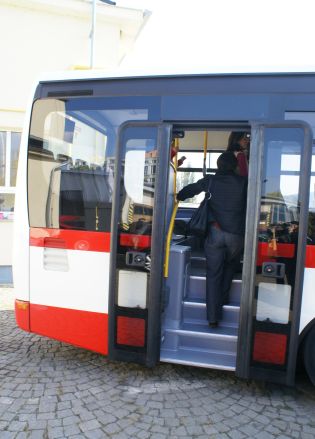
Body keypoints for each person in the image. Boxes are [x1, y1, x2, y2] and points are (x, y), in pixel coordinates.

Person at [177, 152, 247, 327]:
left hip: (215, 234)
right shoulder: (244, 183)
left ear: (218, 165)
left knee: (213, 274)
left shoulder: (210, 181)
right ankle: (222, 300)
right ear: (235, 166)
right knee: (230, 267)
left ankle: (213, 317)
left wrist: (178, 196)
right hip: (237, 236)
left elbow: (187, 192)